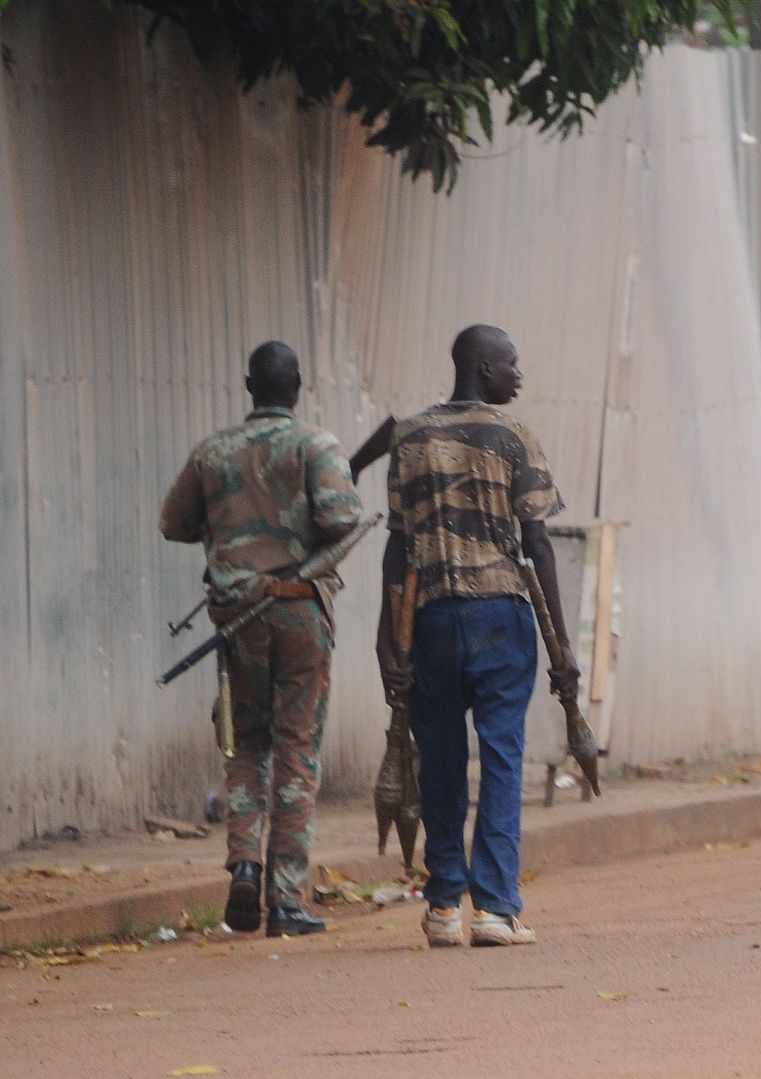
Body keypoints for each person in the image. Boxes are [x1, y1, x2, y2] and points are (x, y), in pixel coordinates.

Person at [379, 324, 578, 948]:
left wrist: (388, 640)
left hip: (431, 620)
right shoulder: (513, 436)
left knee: (437, 761)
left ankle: (442, 907)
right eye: (511, 365)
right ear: (485, 368)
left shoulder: (409, 436)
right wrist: (562, 647)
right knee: (500, 758)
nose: (518, 375)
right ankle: (494, 909)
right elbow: (537, 544)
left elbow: (397, 546)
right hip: (499, 616)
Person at [159, 341, 364, 936]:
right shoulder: (316, 446)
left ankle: (245, 866)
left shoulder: (213, 452)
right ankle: (286, 900)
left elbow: (174, 524)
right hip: (299, 616)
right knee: (297, 750)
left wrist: (230, 528)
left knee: (247, 745)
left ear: (249, 385)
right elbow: (343, 522)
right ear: (297, 385)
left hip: (237, 618)